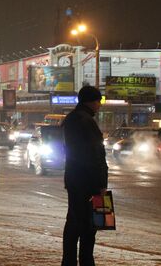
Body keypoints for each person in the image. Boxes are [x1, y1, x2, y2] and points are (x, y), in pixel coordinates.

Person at [61, 86, 108, 266]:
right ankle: (86, 262)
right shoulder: (85, 121)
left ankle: (69, 262)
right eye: (99, 101)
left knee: (73, 224)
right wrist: (101, 184)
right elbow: (95, 155)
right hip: (88, 183)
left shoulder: (71, 118)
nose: (100, 105)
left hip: (74, 179)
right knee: (89, 227)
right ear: (91, 101)